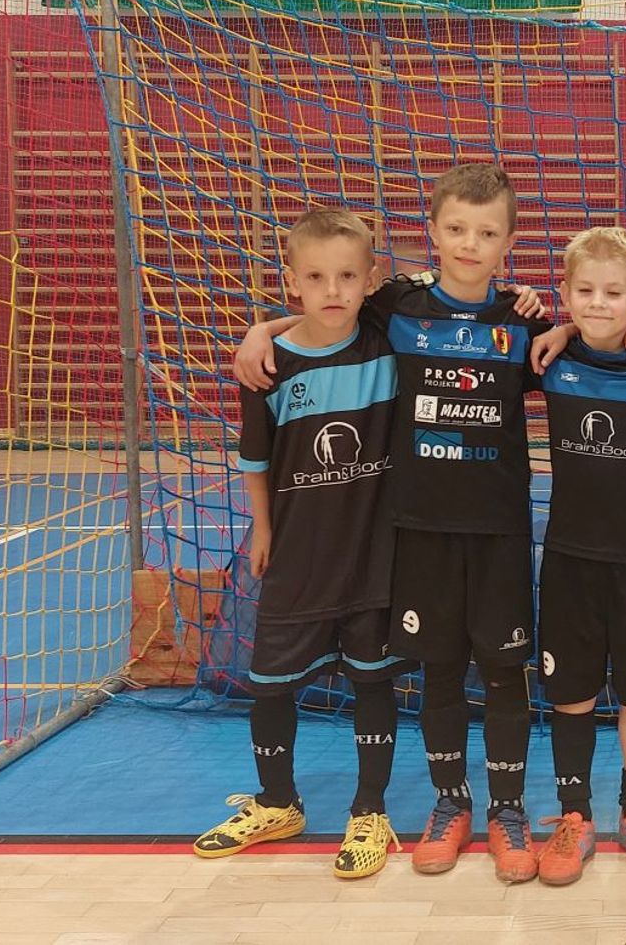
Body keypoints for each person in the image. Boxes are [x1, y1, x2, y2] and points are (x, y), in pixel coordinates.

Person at [234, 163, 550, 884]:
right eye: (456, 229)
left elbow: (592, 339)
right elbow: (326, 312)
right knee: (441, 671)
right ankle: (449, 803)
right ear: (432, 231)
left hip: (499, 529)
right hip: (418, 529)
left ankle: (507, 810)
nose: (469, 244)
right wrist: (263, 329)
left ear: (509, 243)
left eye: (487, 233)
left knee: (505, 673)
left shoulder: (523, 321)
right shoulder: (396, 305)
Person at [195, 207, 406, 879]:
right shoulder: (270, 367)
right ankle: (277, 801)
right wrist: (263, 528)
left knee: (374, 680)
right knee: (270, 684)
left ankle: (369, 809)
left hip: (373, 552)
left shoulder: (387, 340)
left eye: (347, 276)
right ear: (292, 282)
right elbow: (256, 461)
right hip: (298, 551)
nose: (333, 290)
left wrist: (263, 323)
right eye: (315, 277)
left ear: (371, 278)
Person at [525, 226, 626, 886]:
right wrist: (563, 329)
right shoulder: (550, 358)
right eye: (585, 291)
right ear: (565, 293)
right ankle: (575, 815)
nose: (599, 303)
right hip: (569, 557)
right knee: (572, 692)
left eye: (615, 293)